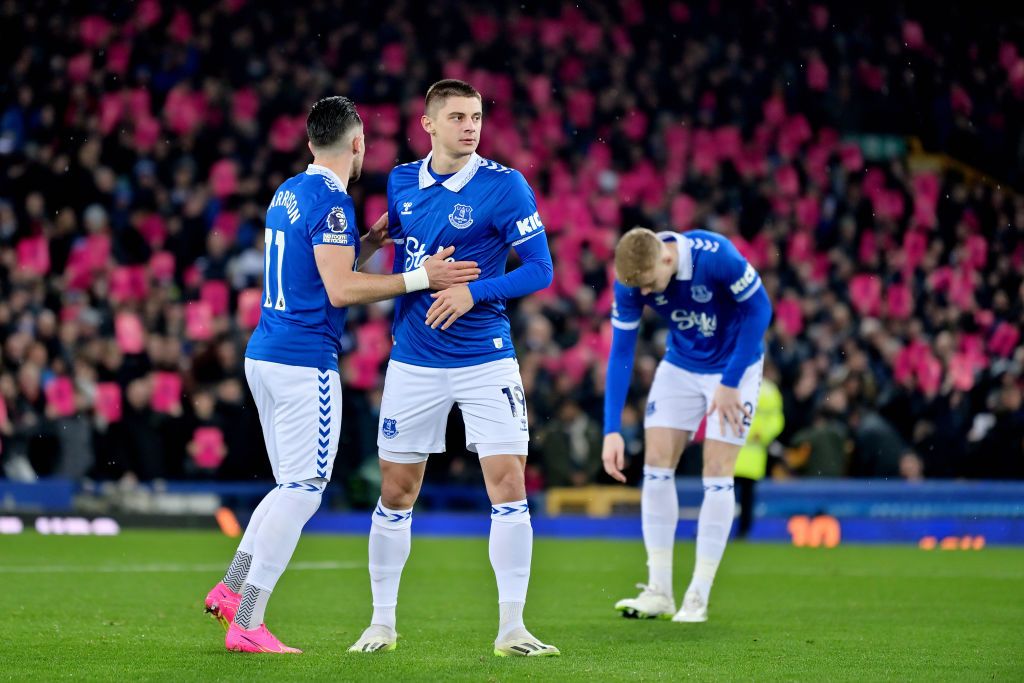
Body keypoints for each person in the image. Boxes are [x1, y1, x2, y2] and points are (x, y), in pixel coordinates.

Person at [202, 96, 480, 654]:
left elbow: (316, 268)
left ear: (310, 143)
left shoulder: (289, 191)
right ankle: (248, 620)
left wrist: (370, 245)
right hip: (305, 361)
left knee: (288, 488)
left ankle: (232, 589)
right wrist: (420, 277)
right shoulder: (333, 202)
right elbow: (339, 290)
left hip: (266, 353)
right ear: (357, 146)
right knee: (304, 490)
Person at [348, 79, 558, 657]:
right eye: (459, 117)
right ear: (429, 124)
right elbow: (399, 255)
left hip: (485, 357)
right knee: (397, 490)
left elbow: (541, 270)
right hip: (413, 361)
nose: (471, 126)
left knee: (509, 483)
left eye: (478, 116)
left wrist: (476, 293)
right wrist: (370, 242)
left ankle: (512, 628)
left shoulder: (505, 186)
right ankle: (382, 623)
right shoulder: (400, 183)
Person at [602, 227, 772, 622]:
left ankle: (698, 593)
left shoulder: (717, 257)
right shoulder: (631, 278)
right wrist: (611, 428)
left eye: (649, 286)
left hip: (735, 367)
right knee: (656, 465)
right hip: (681, 364)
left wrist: (730, 383)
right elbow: (622, 352)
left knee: (717, 471)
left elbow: (760, 309)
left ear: (666, 258)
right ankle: (660, 590)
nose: (644, 295)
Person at [733, 366, 785, 538]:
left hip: (743, 452)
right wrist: (761, 434)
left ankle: (739, 531)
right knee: (739, 496)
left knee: (735, 495)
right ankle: (740, 531)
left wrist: (758, 434)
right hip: (744, 451)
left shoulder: (741, 385)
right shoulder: (767, 390)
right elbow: (777, 421)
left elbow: (776, 420)